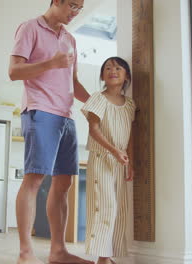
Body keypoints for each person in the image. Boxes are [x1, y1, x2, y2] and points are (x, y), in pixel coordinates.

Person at [9, 1, 93, 264]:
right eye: (72, 5)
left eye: (80, 8)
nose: (76, 12)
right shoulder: (29, 28)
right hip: (41, 110)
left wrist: (96, 106)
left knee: (64, 183)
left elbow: (73, 82)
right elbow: (14, 71)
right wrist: (51, 63)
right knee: (35, 179)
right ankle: (25, 253)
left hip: (65, 116)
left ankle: (58, 251)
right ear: (56, 0)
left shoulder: (70, 39)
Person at [81, 57, 136, 264]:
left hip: (120, 162)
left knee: (119, 209)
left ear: (126, 76)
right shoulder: (98, 98)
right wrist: (114, 150)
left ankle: (108, 254)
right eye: (107, 68)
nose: (113, 70)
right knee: (107, 206)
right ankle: (102, 258)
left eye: (118, 67)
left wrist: (130, 162)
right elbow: (93, 130)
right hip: (102, 158)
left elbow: (131, 135)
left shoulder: (130, 104)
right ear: (103, 76)